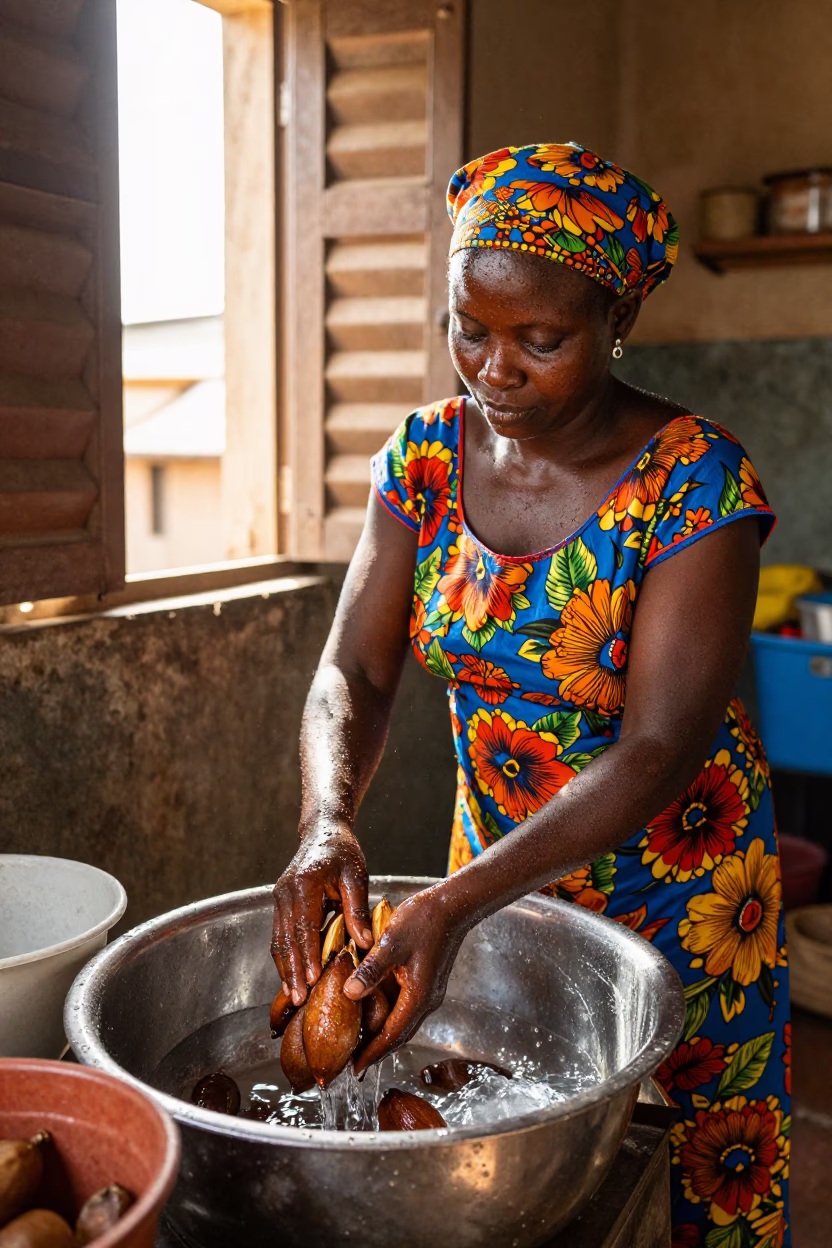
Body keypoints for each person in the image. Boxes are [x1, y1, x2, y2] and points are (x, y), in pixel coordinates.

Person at [271, 143, 791, 1247]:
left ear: (616, 322)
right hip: (501, 878)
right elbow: (353, 671)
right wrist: (328, 820)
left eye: (539, 340)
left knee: (700, 1169)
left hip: (682, 885)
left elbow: (658, 747)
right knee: (514, 1155)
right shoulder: (422, 458)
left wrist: (453, 903)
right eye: (469, 329)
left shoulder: (695, 482)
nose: (491, 370)